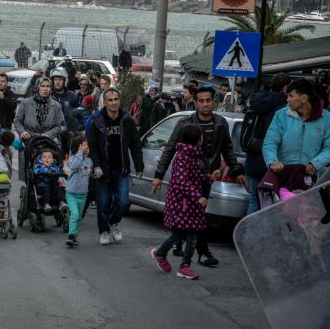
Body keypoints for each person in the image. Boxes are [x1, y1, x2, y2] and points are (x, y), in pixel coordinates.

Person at [151, 86, 246, 266]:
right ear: (195, 103)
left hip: (206, 177)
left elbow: (227, 148)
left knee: (196, 216)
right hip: (187, 179)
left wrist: (237, 170)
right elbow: (170, 148)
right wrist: (158, 175)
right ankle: (198, 252)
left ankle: (181, 249)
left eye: (208, 100)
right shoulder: (185, 123)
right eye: (201, 101)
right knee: (193, 217)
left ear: (213, 102)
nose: (205, 104)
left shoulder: (220, 123)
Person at [150, 123, 209, 280]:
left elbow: (194, 176)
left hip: (189, 204)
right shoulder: (183, 157)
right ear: (198, 139)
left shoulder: (192, 155)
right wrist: (198, 197)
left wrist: (209, 177)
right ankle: (168, 258)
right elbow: (182, 181)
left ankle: (180, 264)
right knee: (180, 235)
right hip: (181, 204)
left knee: (190, 236)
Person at [87, 88, 144, 245]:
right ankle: (103, 231)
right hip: (102, 171)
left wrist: (139, 166)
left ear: (120, 101)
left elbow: (135, 144)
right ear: (105, 102)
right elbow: (92, 146)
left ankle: (113, 222)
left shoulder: (127, 120)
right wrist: (96, 166)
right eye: (110, 100)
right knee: (103, 203)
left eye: (116, 99)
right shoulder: (96, 120)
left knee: (123, 202)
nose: (113, 102)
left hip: (121, 170)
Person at [263, 79, 330, 194]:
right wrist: (273, 162)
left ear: (304, 98)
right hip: (283, 177)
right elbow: (270, 142)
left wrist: (314, 164)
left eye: (291, 96)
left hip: (310, 180)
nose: (287, 100)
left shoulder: (326, 118)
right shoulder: (281, 115)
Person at [243, 73, 291, 215]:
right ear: (286, 88)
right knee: (273, 204)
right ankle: (266, 229)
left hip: (252, 161)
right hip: (273, 164)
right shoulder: (284, 109)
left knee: (254, 200)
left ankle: (251, 229)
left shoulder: (257, 102)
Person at [14, 77, 64, 183]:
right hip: (29, 138)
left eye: (48, 86)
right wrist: (22, 131)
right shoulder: (26, 103)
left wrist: (49, 134)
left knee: (53, 159)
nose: (45, 89)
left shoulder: (56, 106)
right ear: (37, 87)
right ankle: (28, 182)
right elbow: (17, 121)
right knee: (28, 166)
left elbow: (59, 126)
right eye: (43, 86)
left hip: (48, 140)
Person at [65, 136, 93, 248]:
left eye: (87, 146)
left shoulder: (89, 161)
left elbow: (90, 173)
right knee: (75, 215)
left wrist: (96, 172)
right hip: (71, 194)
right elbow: (74, 166)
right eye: (85, 145)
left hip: (83, 194)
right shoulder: (73, 159)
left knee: (79, 217)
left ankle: (74, 236)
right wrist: (80, 153)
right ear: (79, 147)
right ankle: (71, 236)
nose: (87, 147)